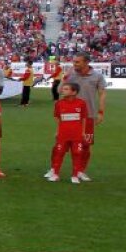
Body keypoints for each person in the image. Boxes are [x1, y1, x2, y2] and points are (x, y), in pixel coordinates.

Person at [61, 51, 107, 181]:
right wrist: (64, 78)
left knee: (86, 144)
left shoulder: (97, 76)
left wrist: (101, 112)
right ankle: (55, 169)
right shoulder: (71, 75)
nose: (74, 64)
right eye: (74, 61)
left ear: (86, 62)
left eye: (77, 62)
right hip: (70, 115)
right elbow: (60, 91)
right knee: (62, 143)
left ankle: (80, 170)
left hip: (88, 116)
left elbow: (102, 94)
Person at [46, 82, 89, 184]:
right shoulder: (59, 103)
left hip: (76, 135)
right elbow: (56, 117)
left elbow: (83, 118)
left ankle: (74, 175)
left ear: (74, 92)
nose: (62, 91)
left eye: (66, 89)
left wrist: (82, 132)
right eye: (63, 89)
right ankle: (55, 174)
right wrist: (60, 128)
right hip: (63, 134)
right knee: (59, 152)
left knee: (77, 153)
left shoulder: (81, 103)